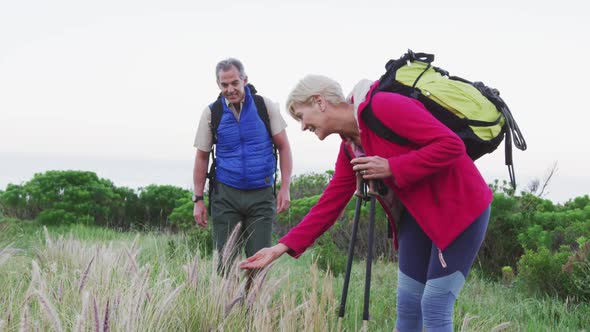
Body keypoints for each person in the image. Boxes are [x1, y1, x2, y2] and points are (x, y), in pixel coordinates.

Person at [240, 75, 492, 331]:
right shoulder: (351, 146)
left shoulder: (384, 106)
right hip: (417, 217)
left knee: (435, 306)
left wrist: (392, 166)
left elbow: (451, 145)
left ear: (319, 102)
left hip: (459, 210)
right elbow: (330, 203)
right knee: (408, 306)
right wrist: (280, 248)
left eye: (301, 115)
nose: (303, 126)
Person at [192, 58, 293, 276]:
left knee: (258, 264)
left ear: (245, 80)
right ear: (218, 84)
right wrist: (198, 200)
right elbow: (201, 157)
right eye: (224, 85)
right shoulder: (212, 113)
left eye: (234, 83)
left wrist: (285, 187)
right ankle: (226, 307)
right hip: (226, 195)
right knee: (225, 265)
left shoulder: (265, 107)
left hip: (261, 195)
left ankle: (253, 308)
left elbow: (284, 147)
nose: (230, 89)